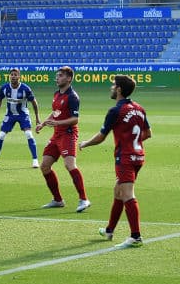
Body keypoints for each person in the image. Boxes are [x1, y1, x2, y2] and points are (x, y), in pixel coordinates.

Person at [79, 75, 151, 249]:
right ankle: (109, 230)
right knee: (118, 192)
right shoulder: (139, 108)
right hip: (138, 156)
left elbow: (101, 136)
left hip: (125, 158)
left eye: (113, 85)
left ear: (119, 89)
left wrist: (85, 143)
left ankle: (136, 236)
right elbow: (148, 133)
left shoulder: (115, 111)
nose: (111, 88)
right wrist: (132, 143)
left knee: (127, 194)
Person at [35, 66, 90, 212]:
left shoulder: (73, 97)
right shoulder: (57, 94)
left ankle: (84, 199)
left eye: (60, 75)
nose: (57, 78)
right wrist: (43, 123)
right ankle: (58, 200)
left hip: (68, 134)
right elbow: (55, 112)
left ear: (69, 78)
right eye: (57, 75)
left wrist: (57, 123)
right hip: (57, 134)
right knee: (45, 166)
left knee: (69, 165)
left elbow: (75, 119)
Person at [0, 68, 40, 168]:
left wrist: (37, 117)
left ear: (19, 77)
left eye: (15, 75)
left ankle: (35, 160)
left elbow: (34, 103)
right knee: (1, 135)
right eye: (12, 74)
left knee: (28, 134)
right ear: (9, 76)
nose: (13, 76)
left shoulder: (25, 89)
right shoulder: (5, 88)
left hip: (23, 114)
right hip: (10, 115)